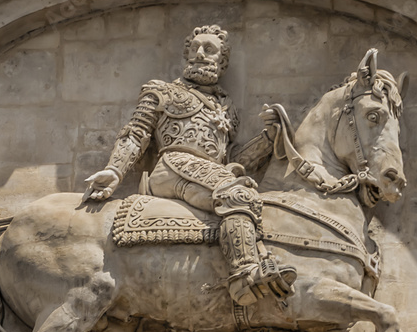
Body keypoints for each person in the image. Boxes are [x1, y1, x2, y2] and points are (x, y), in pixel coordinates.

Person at [83, 24, 296, 306]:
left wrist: (269, 138)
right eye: (194, 48)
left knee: (239, 191)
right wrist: (114, 171)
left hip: (210, 173)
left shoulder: (227, 107)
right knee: (236, 193)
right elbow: (136, 132)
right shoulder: (161, 90)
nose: (200, 54)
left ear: (222, 60)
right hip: (172, 166)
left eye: (209, 50)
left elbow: (231, 160)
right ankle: (244, 275)